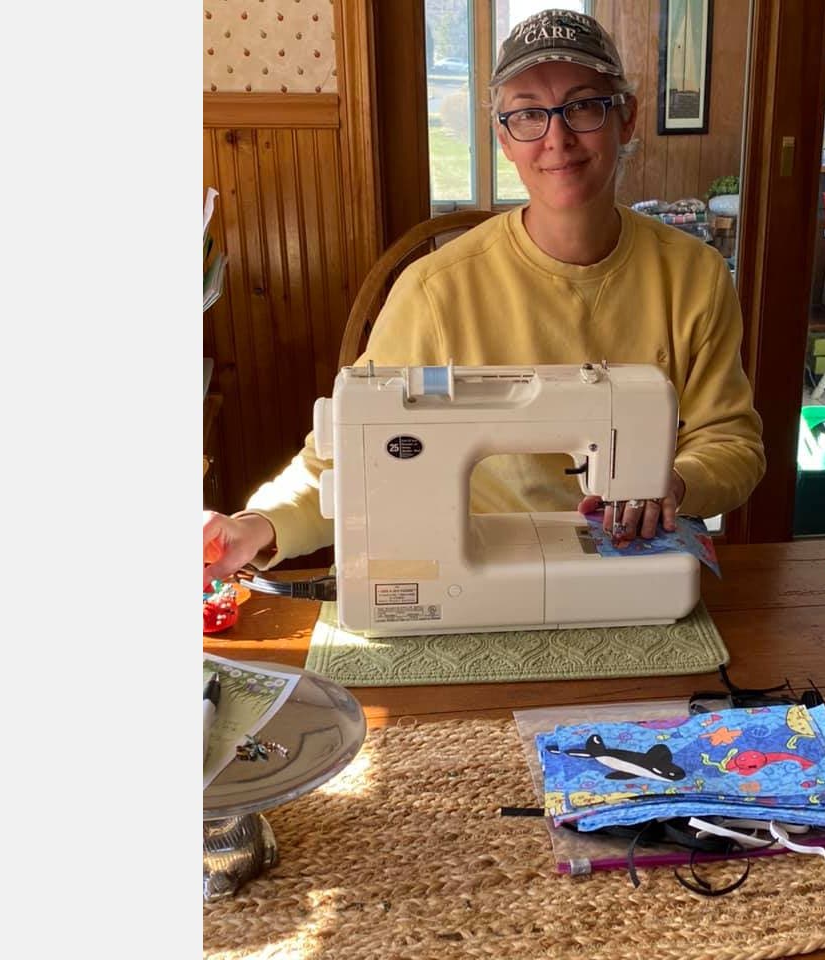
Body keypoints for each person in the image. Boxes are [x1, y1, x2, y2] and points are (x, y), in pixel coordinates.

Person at [203, 9, 765, 588]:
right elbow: (346, 450)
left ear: (626, 117)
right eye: (527, 114)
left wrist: (676, 480)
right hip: (476, 577)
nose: (557, 137)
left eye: (583, 105)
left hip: (632, 562)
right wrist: (254, 524)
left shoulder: (694, 275)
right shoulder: (436, 291)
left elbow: (730, 439)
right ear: (502, 136)